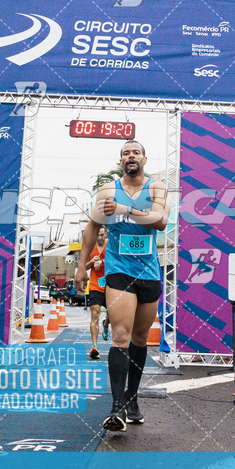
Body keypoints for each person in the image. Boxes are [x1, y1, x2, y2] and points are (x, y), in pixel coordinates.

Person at [76, 141, 170, 432]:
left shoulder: (157, 188)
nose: (131, 156)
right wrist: (82, 264)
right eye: (126, 153)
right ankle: (116, 408)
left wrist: (125, 209)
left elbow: (160, 221)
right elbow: (92, 227)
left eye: (136, 152)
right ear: (120, 160)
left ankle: (132, 397)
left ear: (144, 158)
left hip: (149, 272)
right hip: (118, 271)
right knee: (120, 335)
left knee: (140, 339)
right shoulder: (107, 190)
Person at [84, 226, 110, 359]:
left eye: (101, 235)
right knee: (95, 313)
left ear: (106, 234)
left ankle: (106, 324)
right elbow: (83, 266)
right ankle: (95, 346)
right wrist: (92, 261)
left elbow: (117, 261)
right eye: (97, 235)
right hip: (95, 285)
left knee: (112, 314)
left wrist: (103, 261)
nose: (99, 238)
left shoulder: (111, 245)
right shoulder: (90, 247)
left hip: (110, 285)